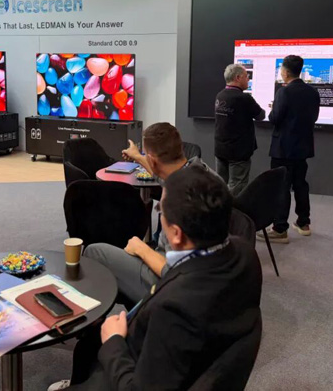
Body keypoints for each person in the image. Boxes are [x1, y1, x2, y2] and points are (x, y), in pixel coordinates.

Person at [48, 167, 263, 390]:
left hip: (130, 368)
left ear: (176, 234)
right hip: (190, 359)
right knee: (89, 345)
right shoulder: (245, 254)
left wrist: (113, 342)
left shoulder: (175, 307)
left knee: (94, 343)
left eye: (161, 210)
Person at [83, 122, 217, 307]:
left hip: (172, 285)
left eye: (146, 156)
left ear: (153, 160)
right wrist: (138, 157)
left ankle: (98, 317)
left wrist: (142, 249)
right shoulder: (203, 174)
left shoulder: (178, 201)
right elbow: (163, 175)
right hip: (211, 277)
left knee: (94, 251)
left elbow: (177, 272)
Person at [267, 55, 320, 244]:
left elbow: (275, 118)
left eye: (281, 69)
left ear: (286, 72)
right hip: (303, 146)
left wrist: (273, 109)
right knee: (300, 184)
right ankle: (304, 223)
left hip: (283, 148)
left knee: (282, 187)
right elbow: (313, 117)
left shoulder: (284, 92)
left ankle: (280, 229)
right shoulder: (312, 92)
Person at [214, 64, 266, 195]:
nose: (248, 79)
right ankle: (233, 208)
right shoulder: (244, 98)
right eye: (246, 76)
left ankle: (219, 207)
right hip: (238, 151)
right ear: (238, 78)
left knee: (220, 184)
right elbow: (260, 115)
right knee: (237, 185)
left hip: (221, 148)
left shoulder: (220, 95)